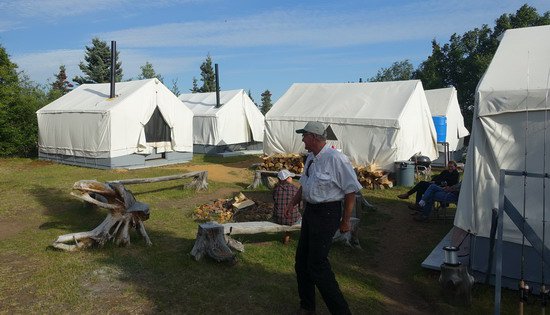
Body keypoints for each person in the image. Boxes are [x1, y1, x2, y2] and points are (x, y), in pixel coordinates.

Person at [284, 121, 362, 315]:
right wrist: (292, 203)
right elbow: (305, 184)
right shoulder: (311, 157)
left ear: (315, 137)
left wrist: (345, 221)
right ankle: (307, 306)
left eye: (305, 135)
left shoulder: (336, 158)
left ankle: (341, 311)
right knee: (301, 261)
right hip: (311, 212)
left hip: (328, 213)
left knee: (317, 264)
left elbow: (351, 191)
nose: (302, 139)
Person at [273, 169, 301, 244]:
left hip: (278, 218)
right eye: (290, 177)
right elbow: (300, 205)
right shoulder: (295, 189)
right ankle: (287, 235)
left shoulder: (276, 189)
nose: (292, 178)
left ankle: (287, 235)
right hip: (293, 219)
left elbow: (275, 202)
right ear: (288, 178)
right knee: (297, 216)